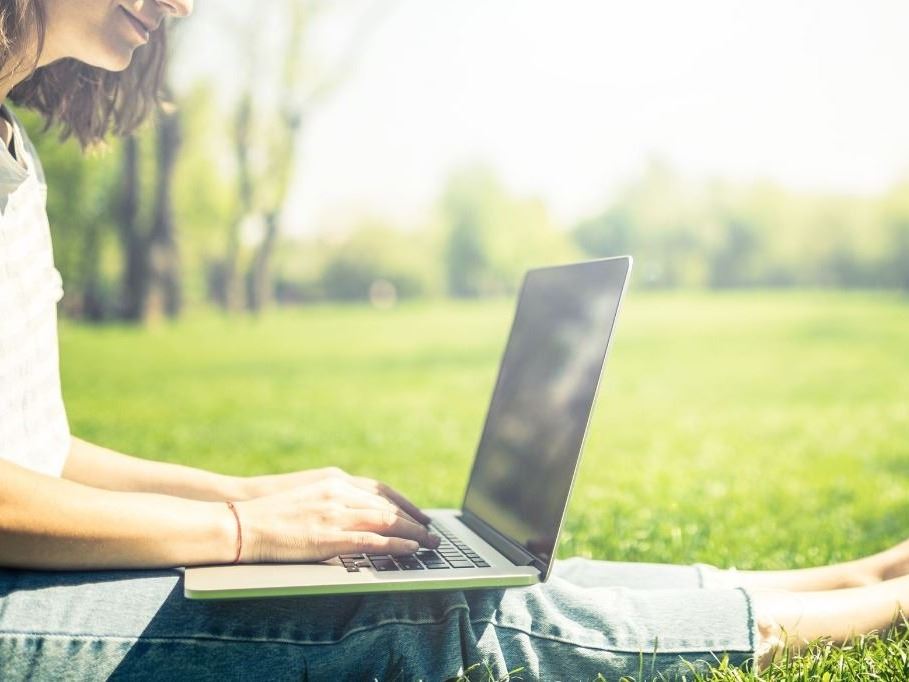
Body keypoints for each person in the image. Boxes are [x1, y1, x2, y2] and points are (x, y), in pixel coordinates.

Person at [1, 1, 907, 679]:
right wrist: (241, 530)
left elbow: (38, 452)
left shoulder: (14, 151)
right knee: (425, 617)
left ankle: (829, 581)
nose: (183, 5)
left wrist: (255, 494)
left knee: (487, 571)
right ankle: (870, 613)